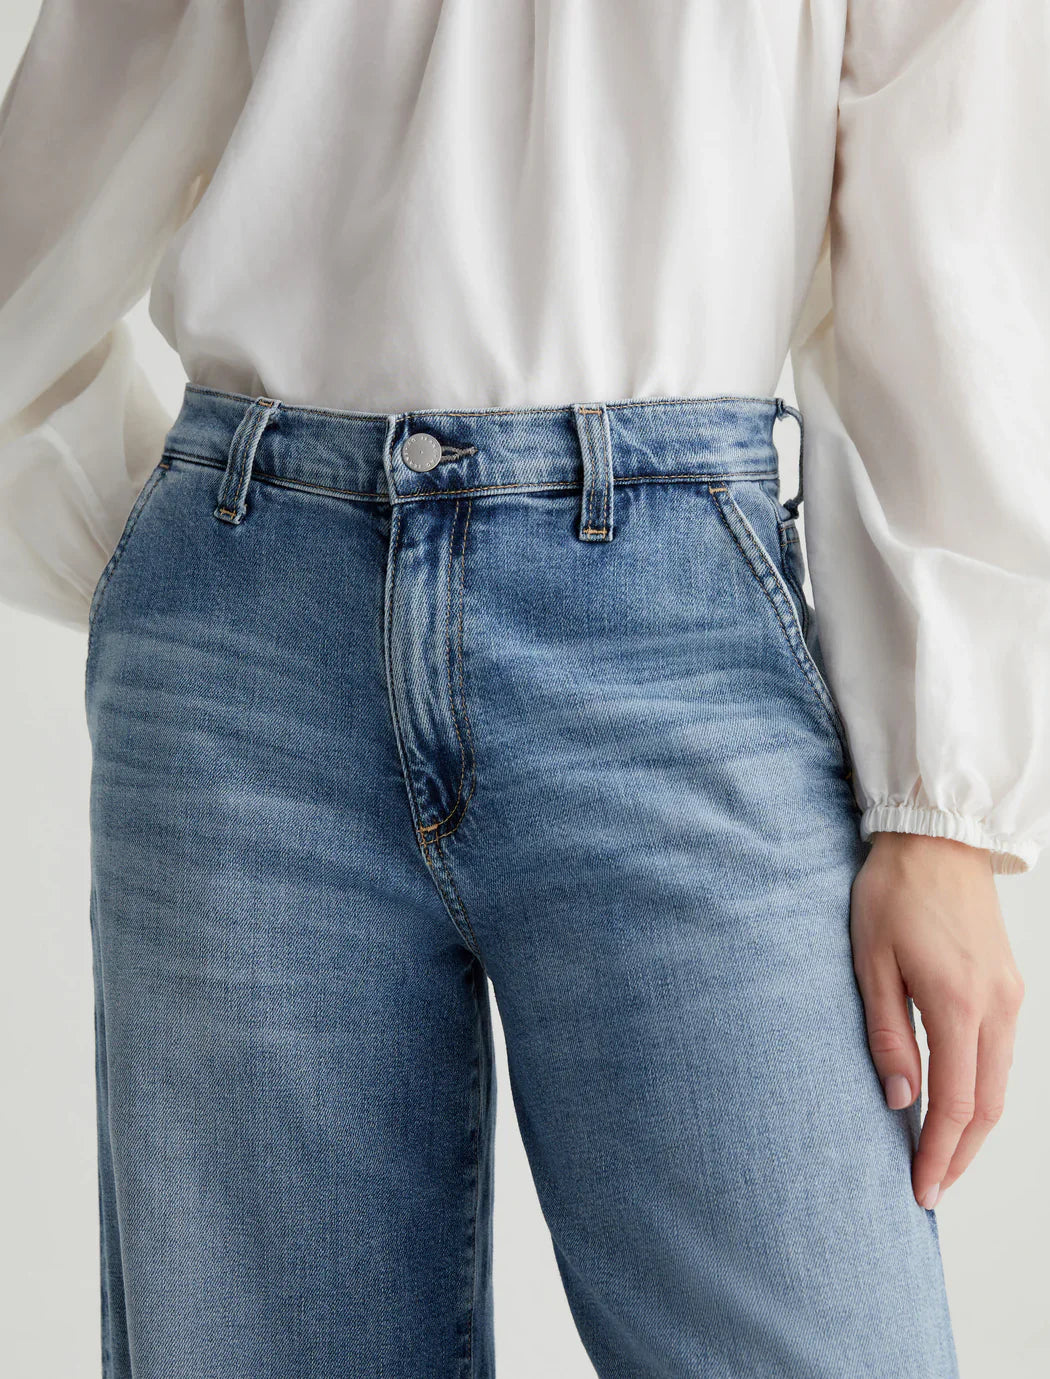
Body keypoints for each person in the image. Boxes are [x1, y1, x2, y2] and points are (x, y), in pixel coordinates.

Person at [0, 3, 1044, 1376]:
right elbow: (57, 196)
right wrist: (186, 578)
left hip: (674, 635)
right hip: (250, 651)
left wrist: (941, 804)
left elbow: (951, 243)